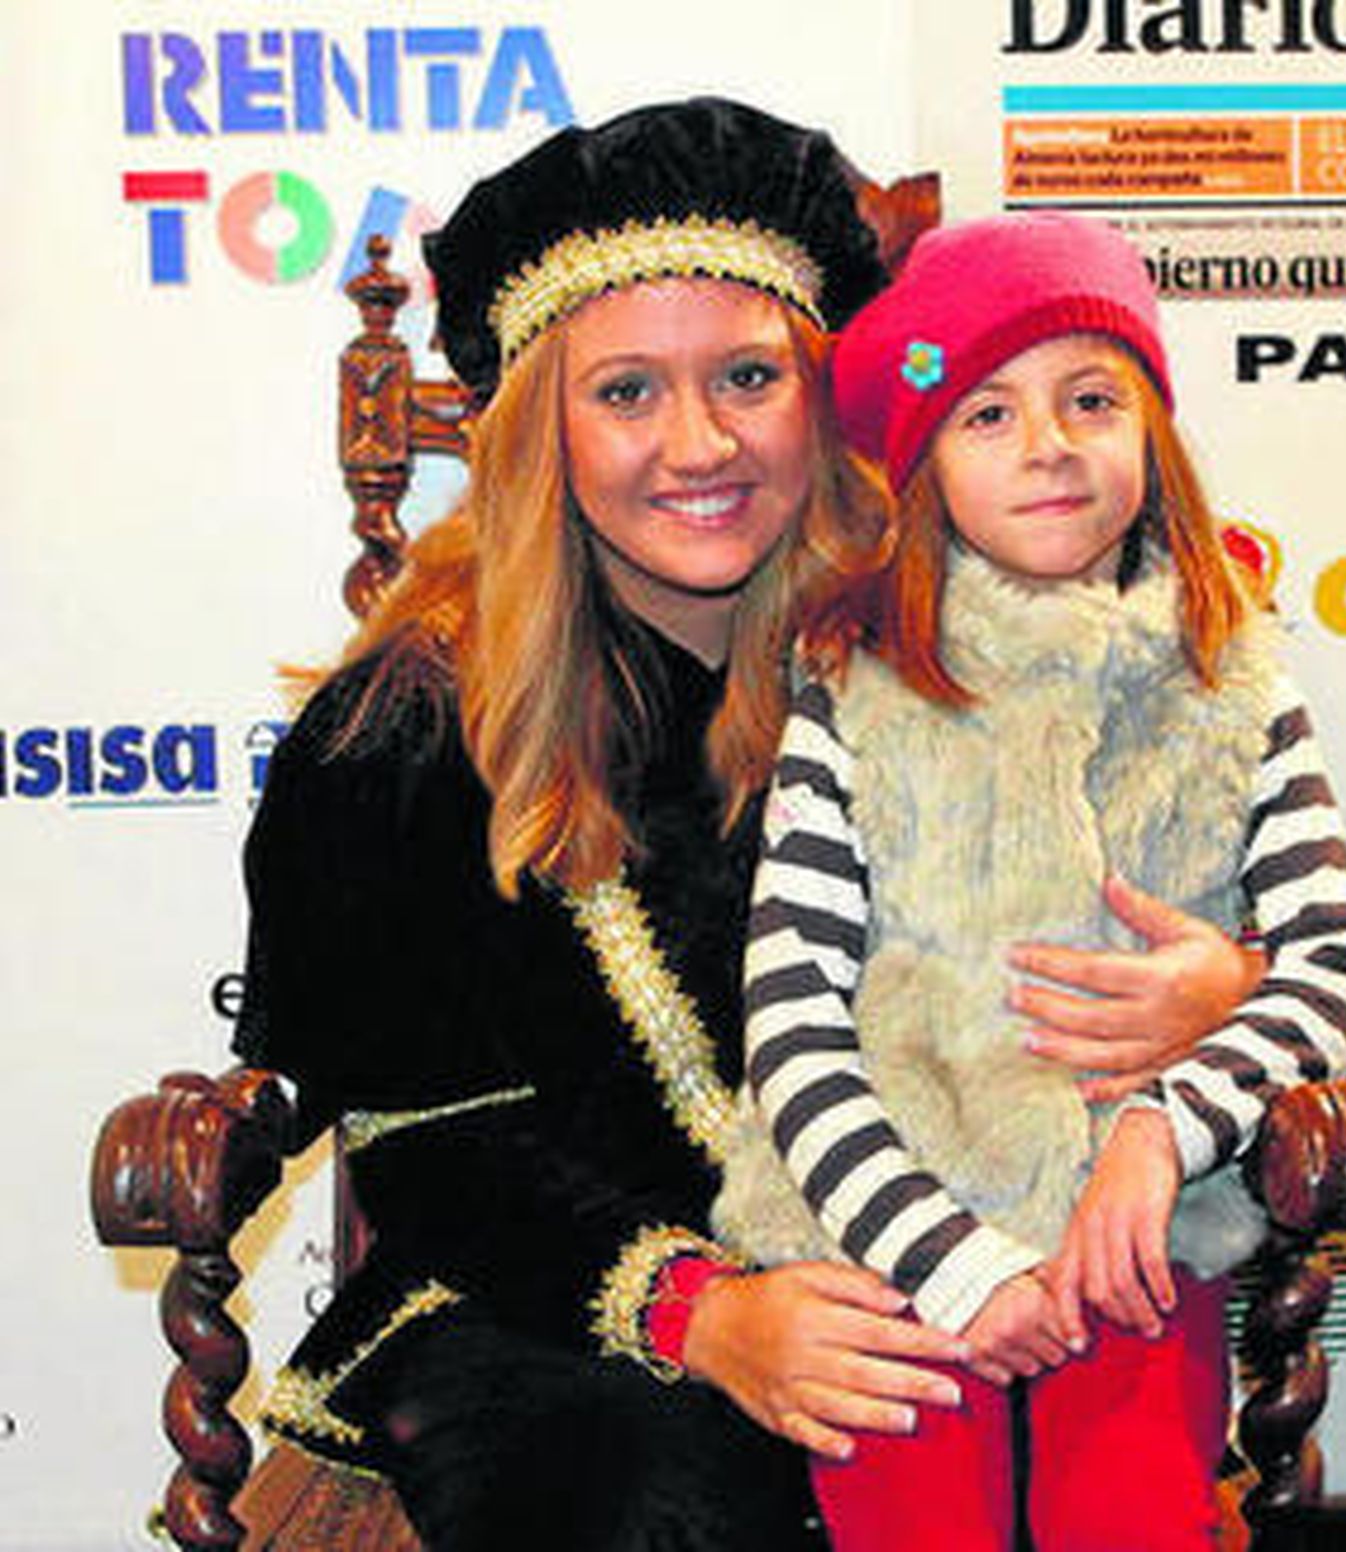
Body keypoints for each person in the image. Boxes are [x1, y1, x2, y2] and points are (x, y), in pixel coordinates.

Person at [233, 102, 1265, 1551]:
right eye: (629, 394)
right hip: (546, 1300)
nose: (700, 443)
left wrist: (1226, 987)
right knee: (660, 1495)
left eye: (747, 377)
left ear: (824, 399)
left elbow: (1180, 863)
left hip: (940, 1240)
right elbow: (428, 1145)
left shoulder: (946, 651)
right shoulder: (399, 736)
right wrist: (701, 1314)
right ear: (541, 428)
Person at [713, 211, 1346, 1552]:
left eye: (1092, 399)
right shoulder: (854, 688)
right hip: (888, 1241)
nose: (1050, 447)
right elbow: (791, 1032)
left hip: (1134, 1240)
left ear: (1152, 429)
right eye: (989, 417)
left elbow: (1336, 975)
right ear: (922, 470)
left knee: (1138, 1521)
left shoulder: (1232, 675)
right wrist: (949, 1260)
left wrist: (1164, 1130)